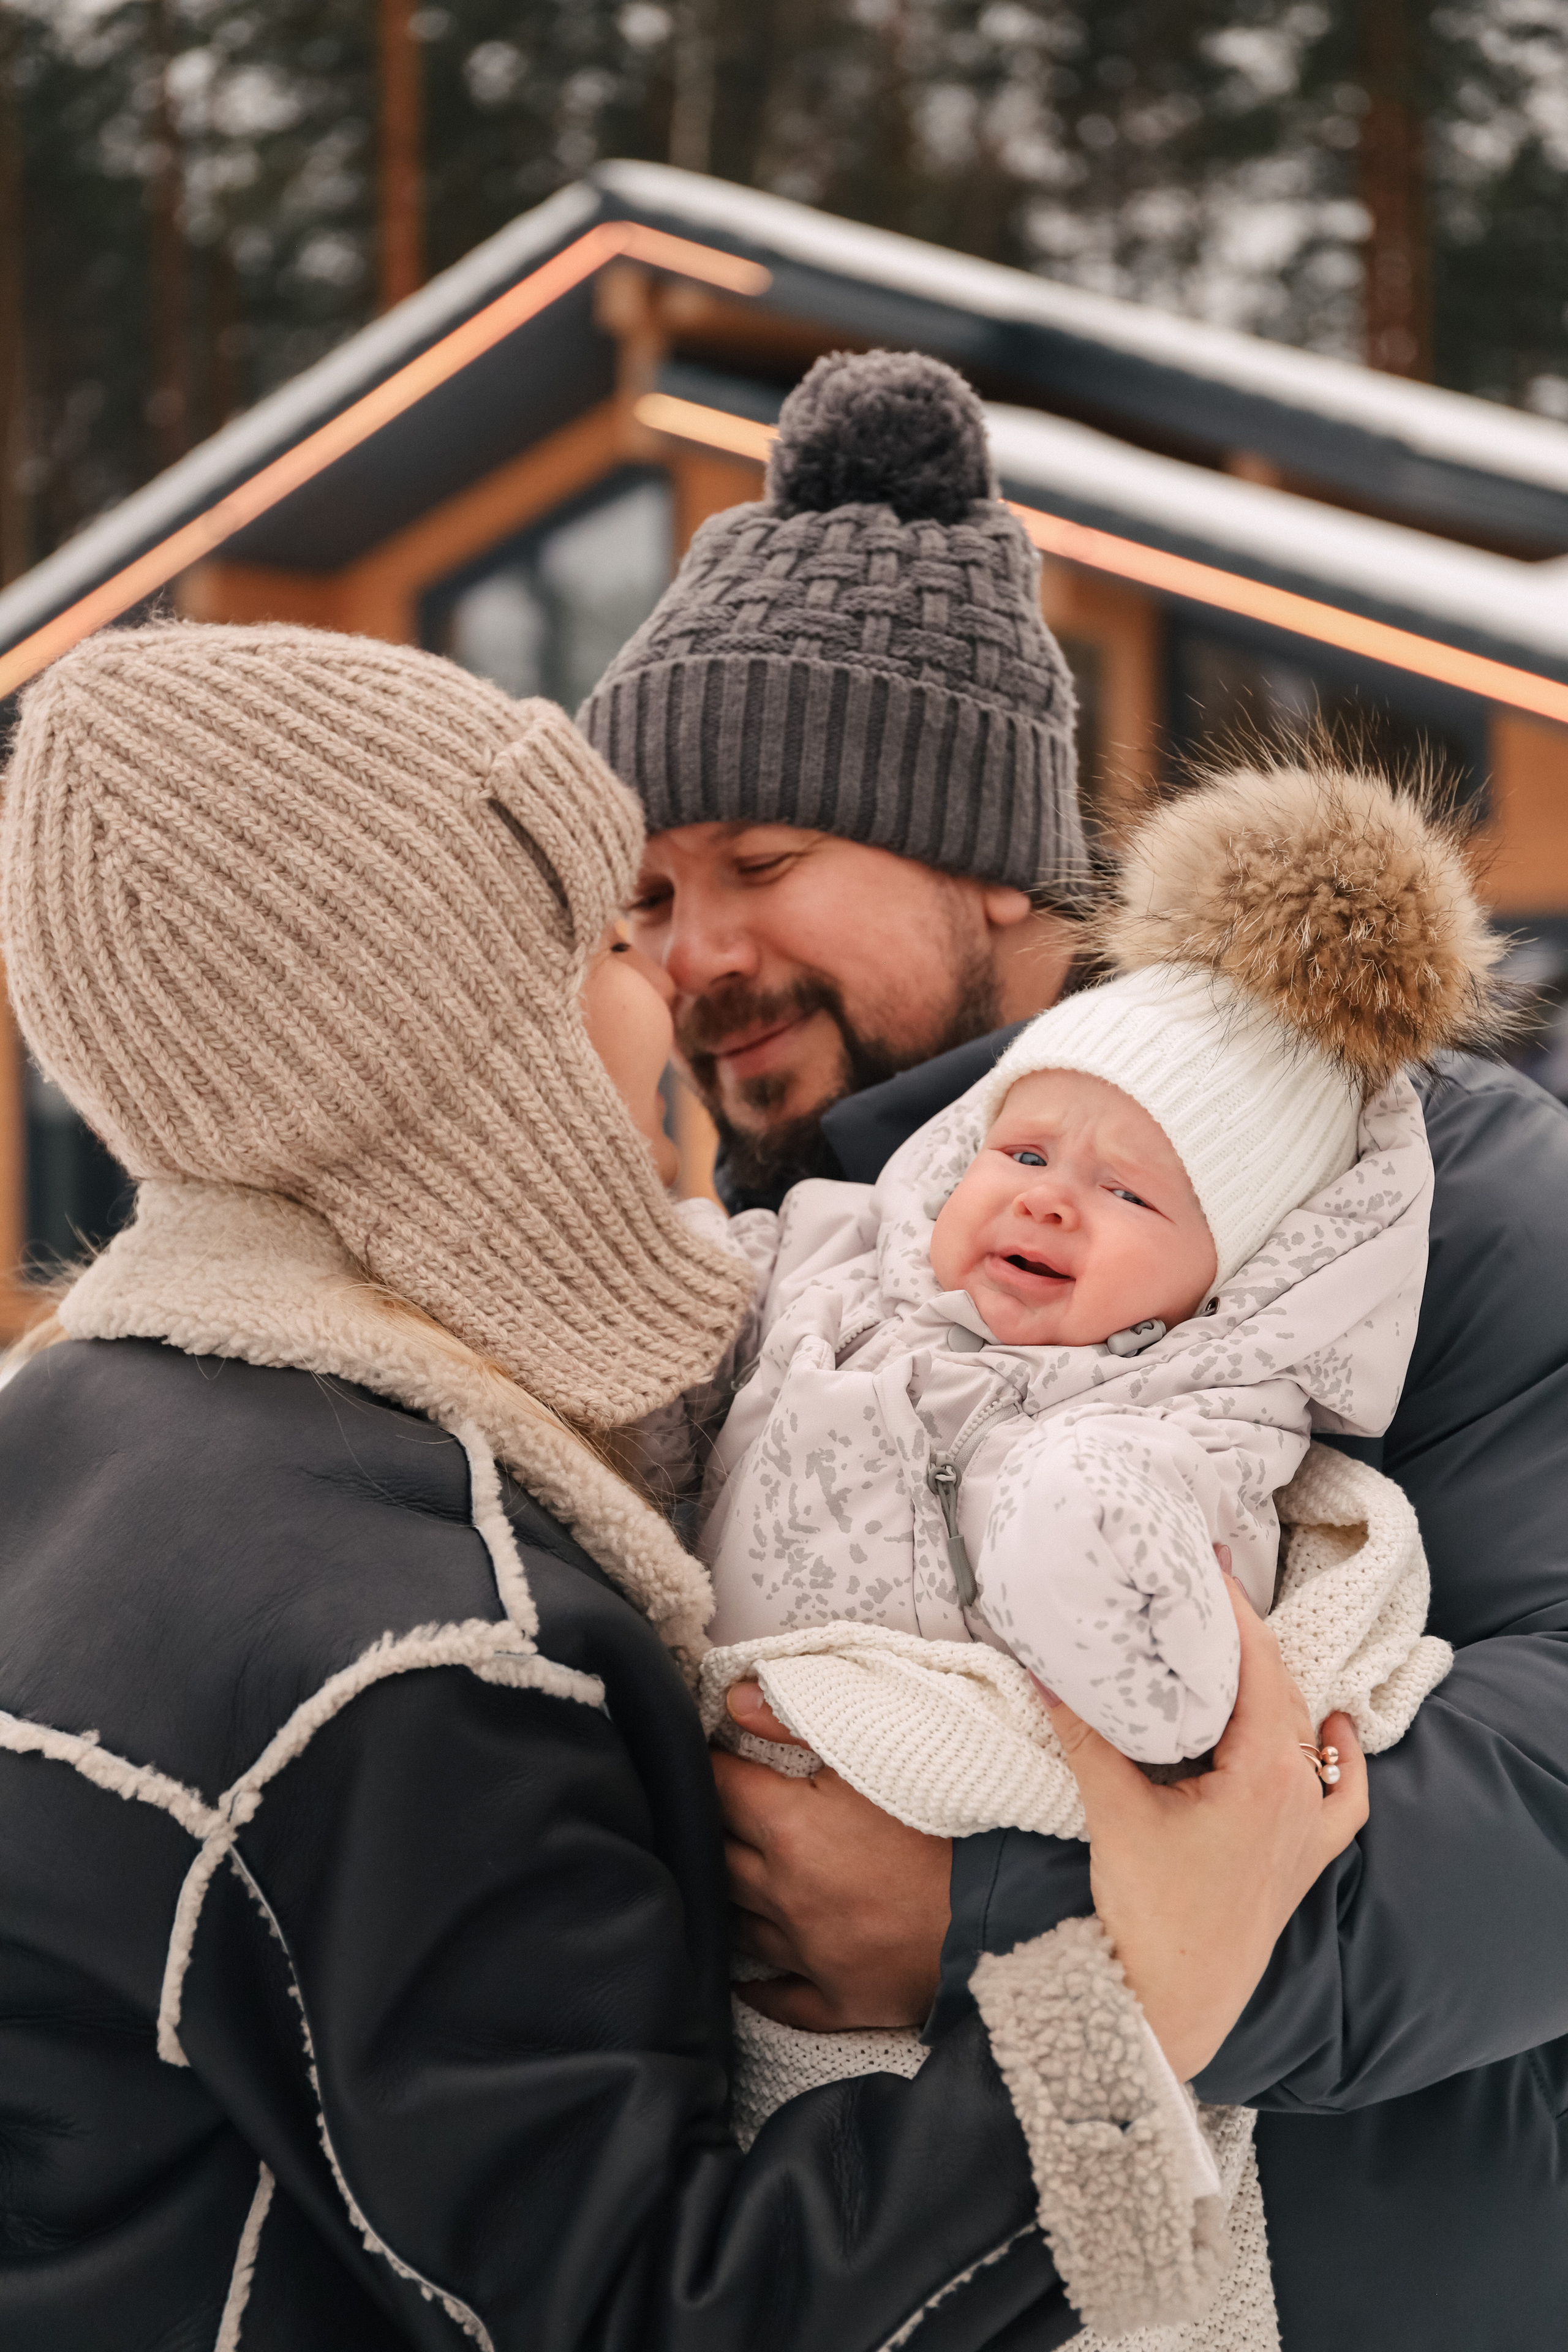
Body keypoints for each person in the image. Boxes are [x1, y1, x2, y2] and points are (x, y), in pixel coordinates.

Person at [0, 621, 1362, 2350]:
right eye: (607, 929)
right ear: (486, 1036)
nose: (665, 993)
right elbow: (646, 2311)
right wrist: (1155, 1990)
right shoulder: (426, 1645)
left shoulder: (67, 1442)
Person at [586, 350, 1568, 2346]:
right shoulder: (756, 1288)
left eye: (763, 866)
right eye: (654, 899)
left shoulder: (1432, 1178)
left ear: (992, 862)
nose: (697, 956)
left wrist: (997, 1921)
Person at [695, 761, 1477, 1762]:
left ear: (1226, 1279)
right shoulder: (833, 1264)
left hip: (939, 1780)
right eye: (1022, 1153)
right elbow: (680, 1309)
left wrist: (1092, 1524)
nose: (1046, 1197)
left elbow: (1182, 1699)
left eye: (1128, 1192)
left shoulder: (1193, 1431)